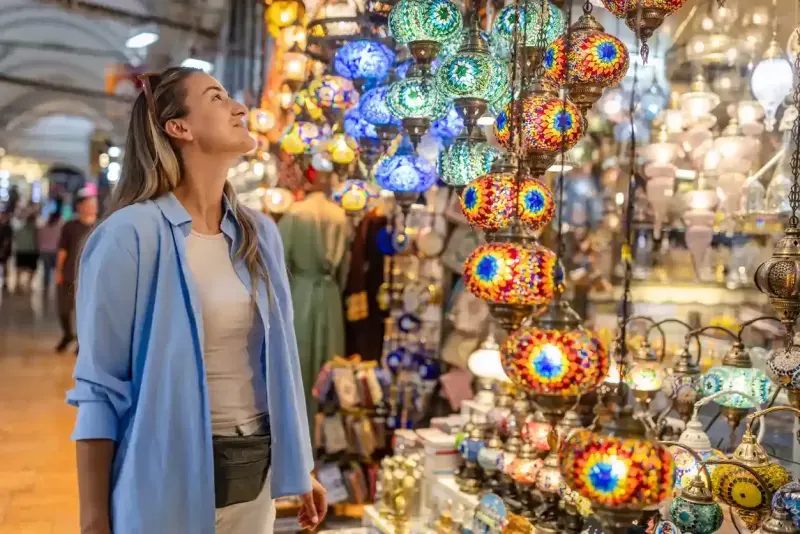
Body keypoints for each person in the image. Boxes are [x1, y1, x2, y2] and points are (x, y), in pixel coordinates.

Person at [66, 67, 326, 534]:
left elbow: (279, 364)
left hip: (255, 480)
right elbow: (99, 390)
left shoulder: (259, 232)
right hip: (164, 483)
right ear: (179, 127)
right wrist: (93, 522)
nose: (239, 108)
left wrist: (299, 465)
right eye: (217, 97)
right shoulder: (129, 236)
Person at [55, 190, 97, 352]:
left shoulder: (100, 226)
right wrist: (58, 271)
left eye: (94, 205)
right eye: (88, 205)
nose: (92, 208)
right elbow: (62, 251)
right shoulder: (70, 226)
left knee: (85, 312)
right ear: (80, 207)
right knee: (64, 310)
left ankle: (82, 342)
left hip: (89, 277)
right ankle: (67, 334)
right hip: (68, 274)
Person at [13, 212, 39, 292]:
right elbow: (37, 240)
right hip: (31, 251)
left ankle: (17, 284)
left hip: (20, 251)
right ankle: (29, 284)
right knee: (32, 269)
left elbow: (15, 238)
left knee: (19, 269)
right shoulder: (35, 229)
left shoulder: (19, 229)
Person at [38, 211, 62, 294]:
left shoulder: (42, 228)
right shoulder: (59, 228)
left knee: (46, 271)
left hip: (44, 251)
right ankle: (56, 286)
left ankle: (46, 287)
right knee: (57, 270)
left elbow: (39, 239)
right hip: (55, 252)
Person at [0, 212, 12, 291]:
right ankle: (5, 282)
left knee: (5, 266)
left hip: (4, 251)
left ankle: (5, 282)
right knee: (4, 266)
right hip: (4, 250)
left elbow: (7, 241)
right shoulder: (6, 227)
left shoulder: (7, 228)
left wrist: (3, 250)